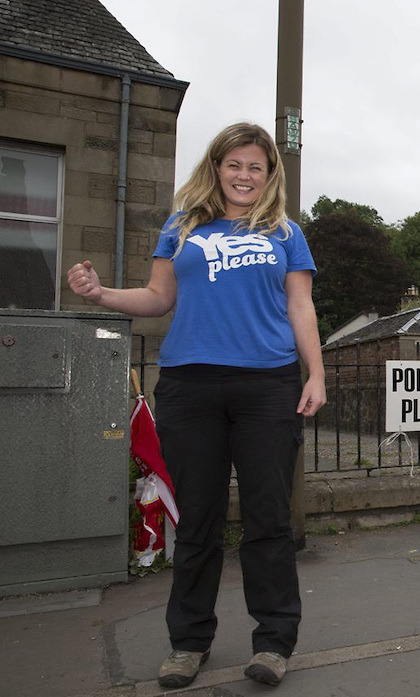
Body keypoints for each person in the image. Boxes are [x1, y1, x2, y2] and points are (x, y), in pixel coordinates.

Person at [67, 122, 327, 686]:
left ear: (269, 175)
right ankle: (188, 643)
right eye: (234, 164)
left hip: (267, 386)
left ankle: (274, 641)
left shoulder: (286, 232)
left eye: (256, 166)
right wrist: (102, 294)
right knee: (200, 520)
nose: (244, 175)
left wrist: (317, 374)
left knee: (267, 518)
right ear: (216, 168)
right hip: (189, 387)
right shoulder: (181, 227)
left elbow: (300, 307)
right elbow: (159, 297)